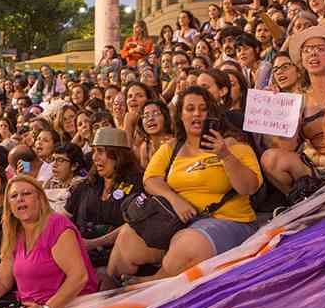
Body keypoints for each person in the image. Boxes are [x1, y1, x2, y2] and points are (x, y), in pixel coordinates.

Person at [108, 86, 262, 283]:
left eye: (203, 108)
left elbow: (249, 187)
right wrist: (175, 199)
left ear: (212, 114)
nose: (197, 113)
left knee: (187, 245)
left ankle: (145, 286)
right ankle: (108, 289)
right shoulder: (171, 147)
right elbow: (150, 179)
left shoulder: (234, 146)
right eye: (190, 108)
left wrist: (225, 155)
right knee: (127, 237)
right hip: (177, 220)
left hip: (228, 221)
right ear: (180, 115)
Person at [0, 175, 97, 308]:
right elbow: (2, 281)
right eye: (14, 196)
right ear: (9, 206)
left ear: (40, 199)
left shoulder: (57, 224)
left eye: (26, 194)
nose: (20, 199)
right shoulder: (14, 233)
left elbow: (79, 277)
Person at [261, 28, 325, 196]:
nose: (313, 54)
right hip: (317, 170)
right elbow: (288, 147)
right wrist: (277, 110)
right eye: (307, 50)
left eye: (320, 49)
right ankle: (303, 199)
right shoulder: (296, 99)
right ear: (301, 61)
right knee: (270, 158)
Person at [66, 128, 144, 262]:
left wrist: (94, 243)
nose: (94, 157)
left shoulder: (137, 184)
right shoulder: (85, 185)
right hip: (80, 257)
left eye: (100, 151)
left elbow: (133, 227)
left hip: (120, 258)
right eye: (94, 151)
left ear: (118, 155)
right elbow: (63, 218)